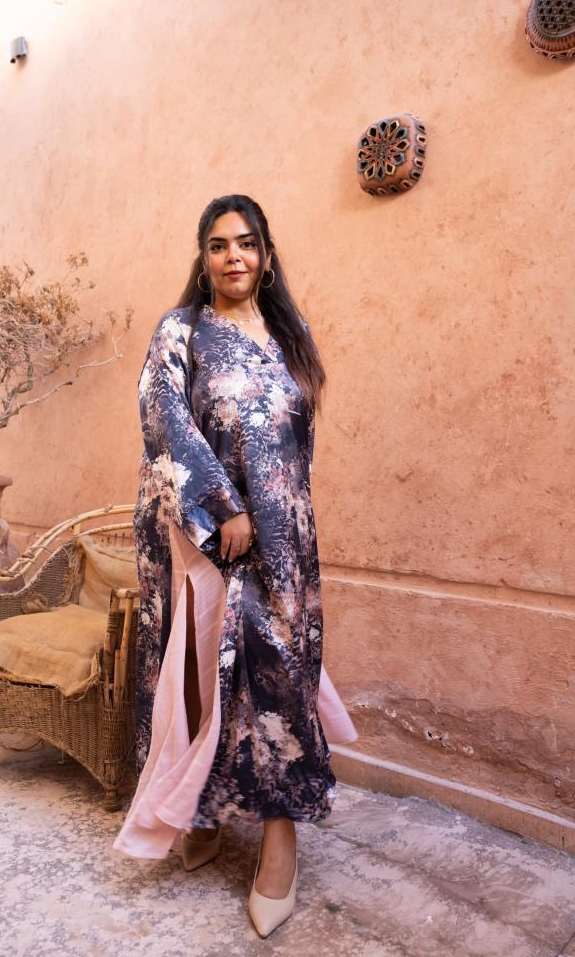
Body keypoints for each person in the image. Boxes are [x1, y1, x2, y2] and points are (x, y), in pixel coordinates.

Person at [113, 193, 358, 937]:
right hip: (211, 537)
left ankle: (279, 839)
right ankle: (203, 811)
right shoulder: (182, 330)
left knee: (281, 677)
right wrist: (224, 507)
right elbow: (163, 419)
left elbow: (294, 447)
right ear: (203, 257)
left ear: (266, 255)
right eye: (219, 245)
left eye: (246, 243)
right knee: (203, 674)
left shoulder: (291, 334)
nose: (233, 256)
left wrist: (283, 523)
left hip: (286, 540)